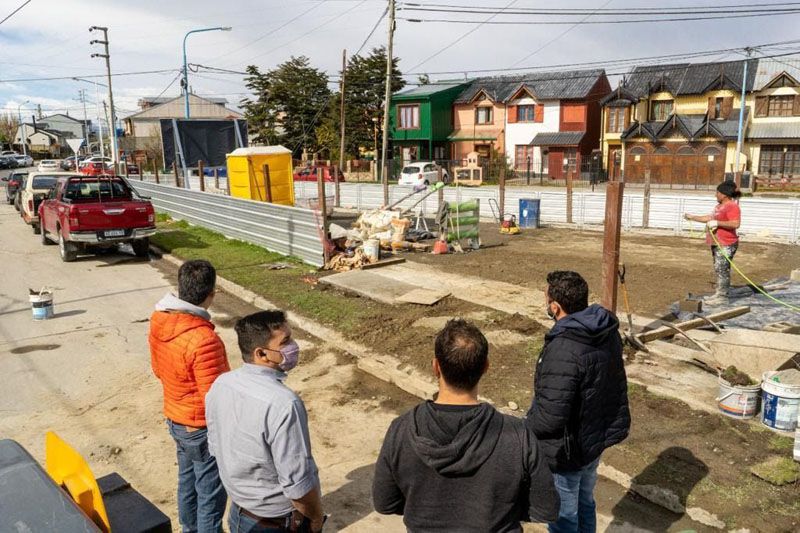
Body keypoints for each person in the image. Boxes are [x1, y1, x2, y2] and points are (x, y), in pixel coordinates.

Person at [373, 319, 560, 532]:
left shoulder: (401, 429)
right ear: (486, 367)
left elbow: (385, 502)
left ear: (436, 367)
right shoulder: (518, 435)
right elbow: (546, 509)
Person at [526, 271, 630, 533]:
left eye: (546, 298)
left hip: (567, 451)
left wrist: (522, 429)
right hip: (593, 440)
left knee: (564, 515)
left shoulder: (564, 347)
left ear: (555, 306)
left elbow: (550, 416)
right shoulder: (606, 331)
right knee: (585, 502)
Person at [205, 311, 325, 533]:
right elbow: (297, 482)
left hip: (239, 512)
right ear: (261, 353)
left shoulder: (222, 383)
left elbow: (215, 446)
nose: (294, 347)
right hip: (275, 522)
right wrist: (315, 518)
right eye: (285, 342)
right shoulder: (284, 403)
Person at [149, 259, 230, 532]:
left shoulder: (160, 320)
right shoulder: (203, 339)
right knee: (210, 495)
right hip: (199, 428)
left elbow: (158, 370)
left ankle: (188, 529)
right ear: (211, 294)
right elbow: (216, 397)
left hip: (176, 419)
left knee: (187, 482)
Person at [684, 181, 742, 305]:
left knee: (722, 269)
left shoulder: (732, 206)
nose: (716, 195)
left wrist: (718, 223)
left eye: (718, 192)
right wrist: (692, 217)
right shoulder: (719, 207)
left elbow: (735, 223)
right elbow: (709, 218)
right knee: (718, 268)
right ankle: (719, 294)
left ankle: (722, 297)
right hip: (717, 243)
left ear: (724, 194)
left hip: (727, 243)